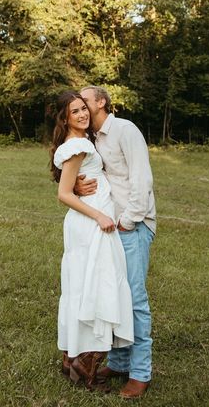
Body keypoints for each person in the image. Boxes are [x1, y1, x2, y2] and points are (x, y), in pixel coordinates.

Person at [76, 85, 156, 399]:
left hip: (131, 226)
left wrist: (129, 220)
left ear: (101, 101)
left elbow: (142, 178)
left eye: (86, 97)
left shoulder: (125, 130)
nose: (80, 102)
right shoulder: (89, 139)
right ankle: (120, 362)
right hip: (108, 227)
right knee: (114, 294)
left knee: (134, 299)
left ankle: (140, 373)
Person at [50, 90, 134, 392]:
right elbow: (64, 193)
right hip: (91, 223)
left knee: (84, 286)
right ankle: (85, 365)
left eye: (83, 109)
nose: (83, 114)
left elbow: (70, 182)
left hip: (88, 221)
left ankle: (72, 357)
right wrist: (99, 215)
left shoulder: (77, 142)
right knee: (95, 286)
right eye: (75, 112)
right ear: (65, 118)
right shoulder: (80, 144)